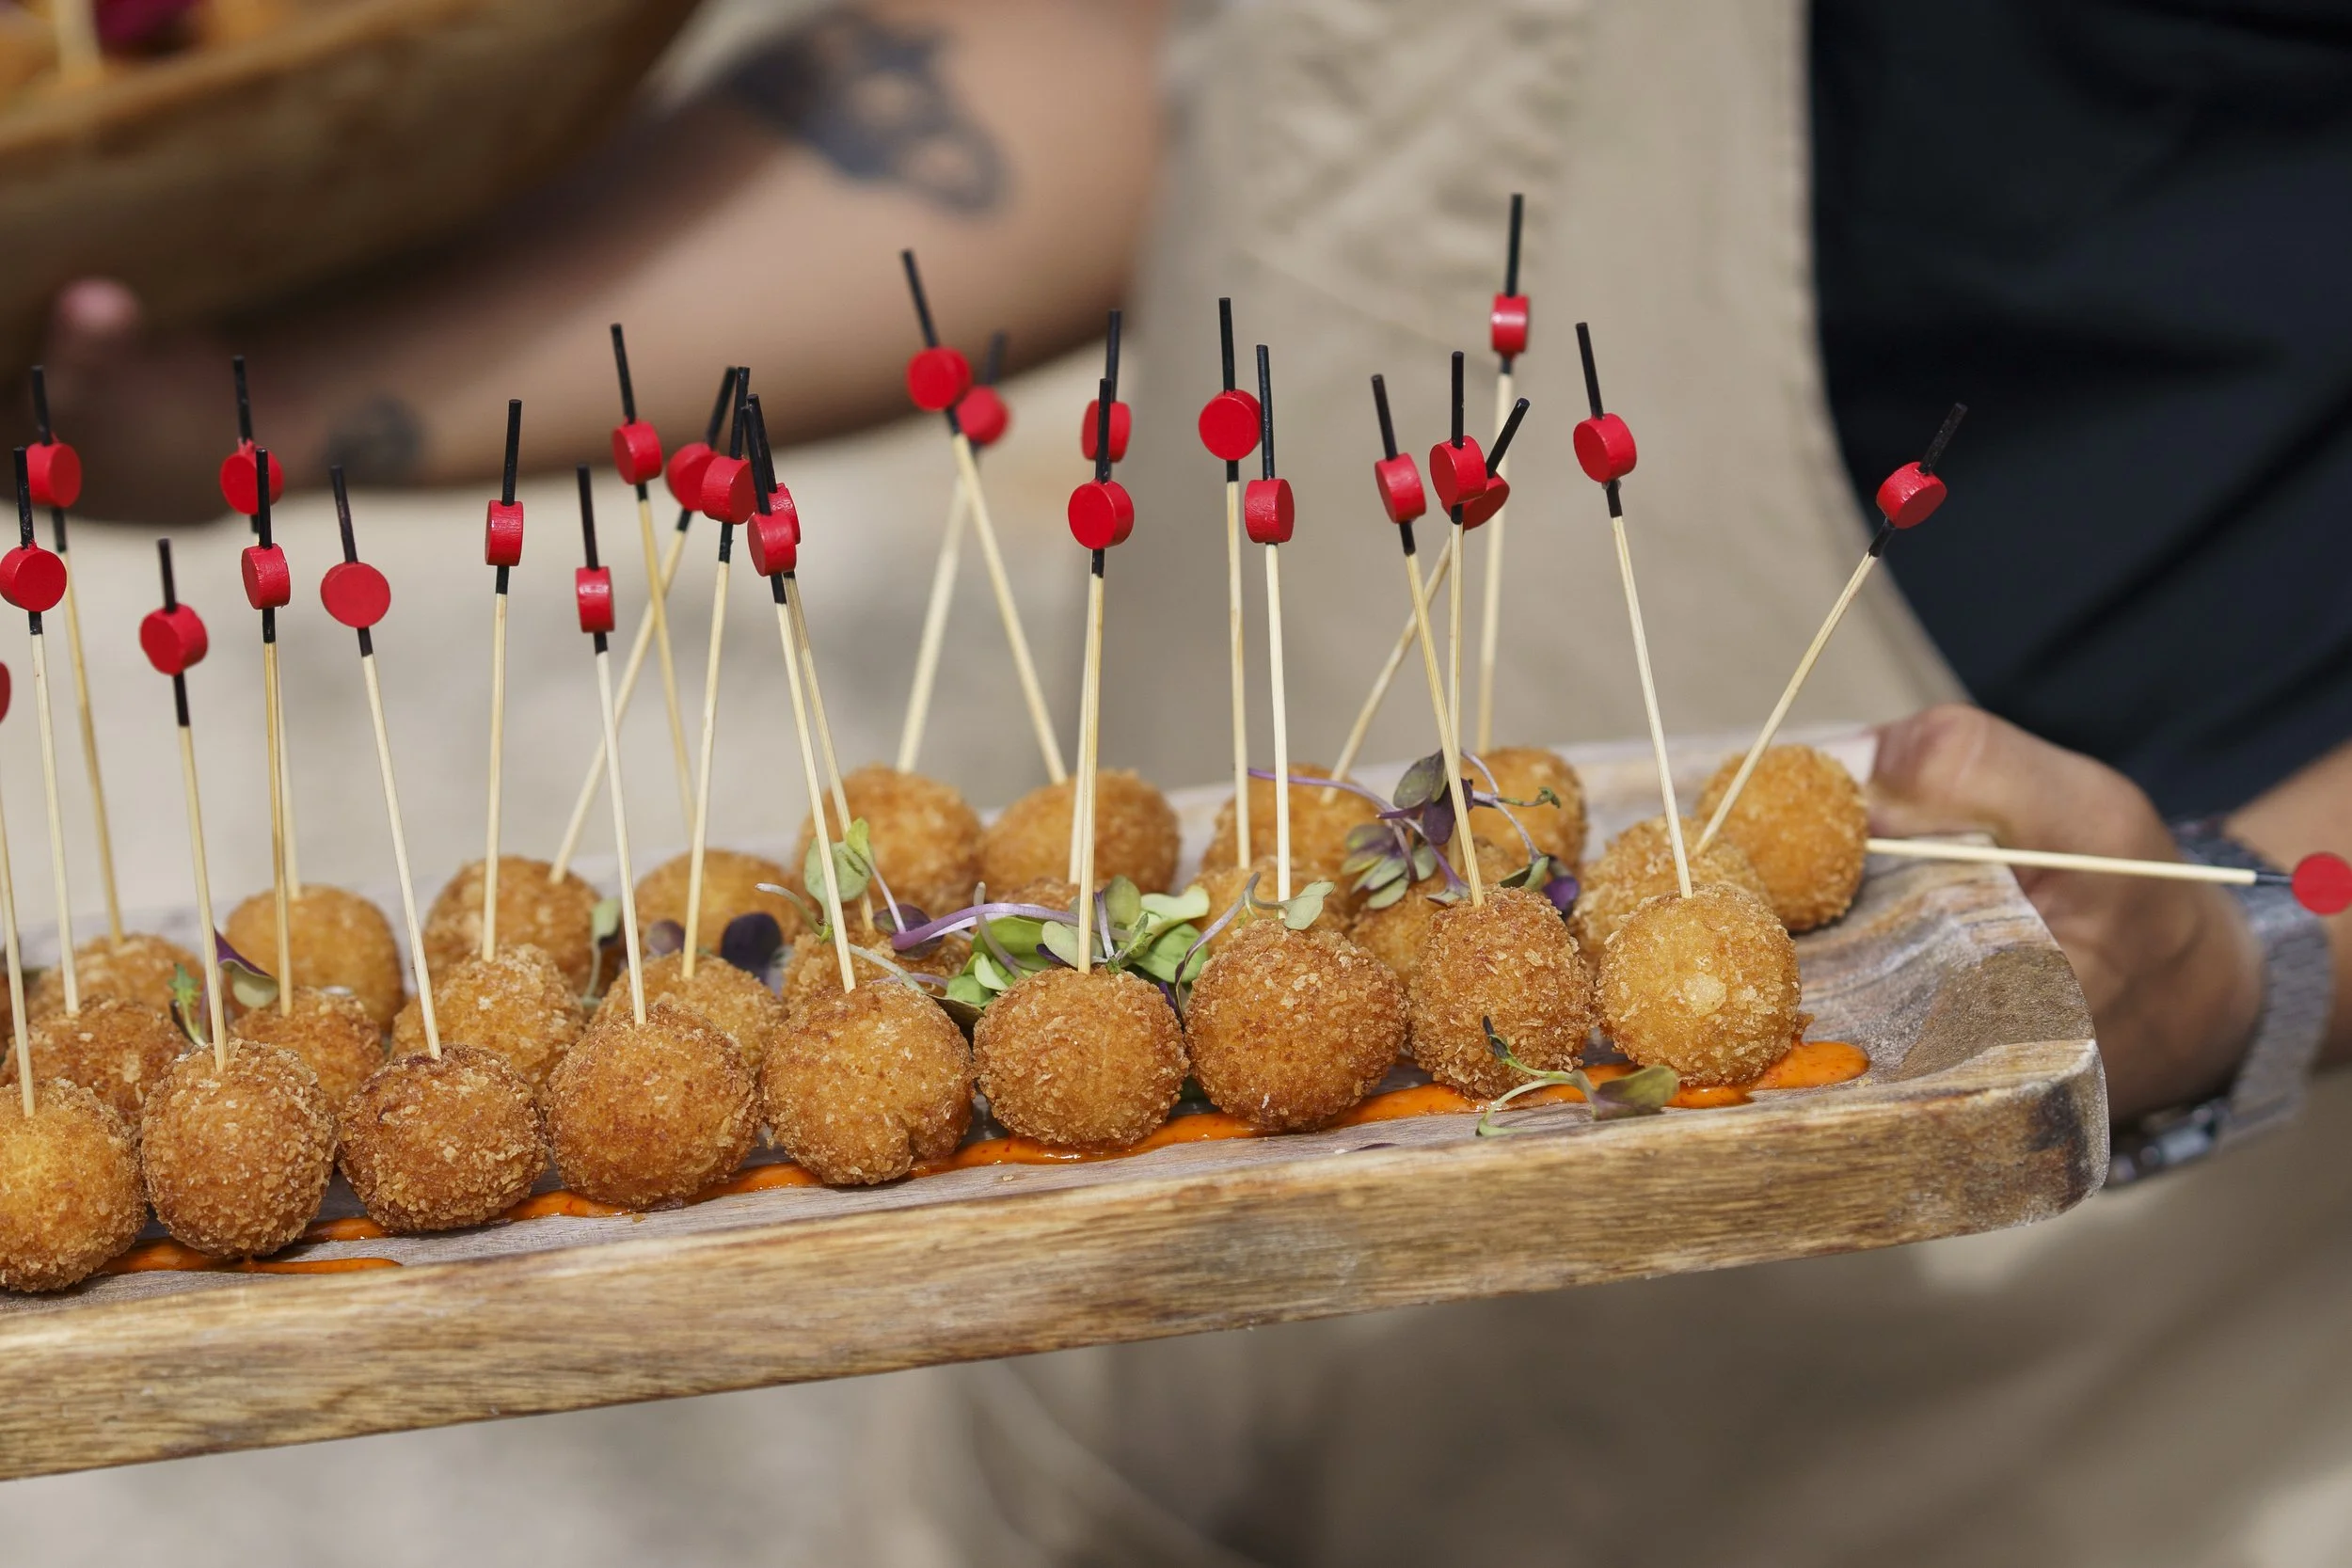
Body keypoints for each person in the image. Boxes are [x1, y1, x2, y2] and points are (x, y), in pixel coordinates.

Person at [26, 1, 2352, 1561]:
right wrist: (246, 395)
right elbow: (1137, 51)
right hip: (1116, 1271)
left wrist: (2248, 946)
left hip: (1988, 1333)